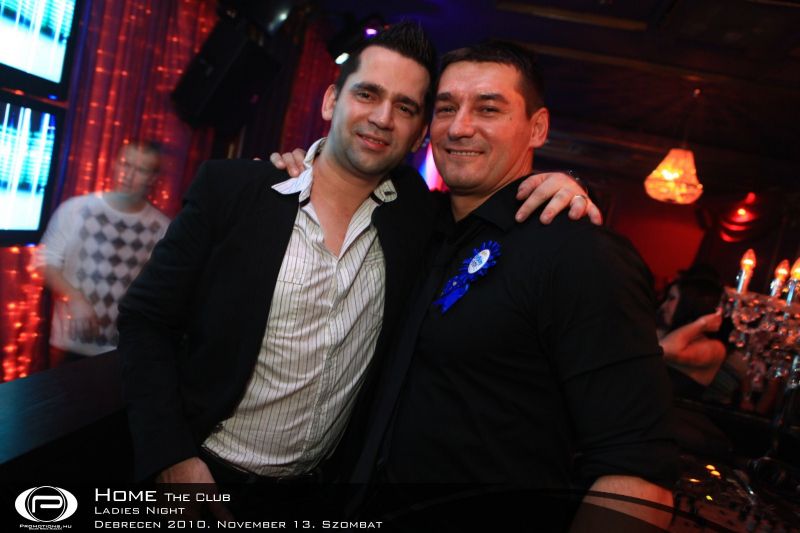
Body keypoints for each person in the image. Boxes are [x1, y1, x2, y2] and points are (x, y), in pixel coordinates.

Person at [117, 22, 593, 509]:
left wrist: (563, 182)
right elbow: (145, 319)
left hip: (320, 495)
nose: (382, 118)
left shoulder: (418, 218)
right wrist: (172, 457)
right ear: (331, 101)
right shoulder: (235, 190)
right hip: (199, 474)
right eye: (368, 94)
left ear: (418, 135)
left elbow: (492, 200)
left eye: (405, 107)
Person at [345, 41, 677, 529]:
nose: (460, 127)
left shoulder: (580, 254)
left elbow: (637, 471)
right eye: (446, 108)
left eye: (488, 109)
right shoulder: (417, 225)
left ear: (537, 128)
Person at [35, 141, 169, 365]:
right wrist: (75, 298)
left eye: (141, 170)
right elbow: (45, 262)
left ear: (153, 179)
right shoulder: (76, 209)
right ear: (115, 164)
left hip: (123, 350)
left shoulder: (162, 228)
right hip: (70, 344)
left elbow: (161, 290)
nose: (128, 175)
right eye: (125, 164)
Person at [656, 267, 727, 400]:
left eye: (671, 299)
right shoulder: (665, 332)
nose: (663, 306)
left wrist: (702, 323)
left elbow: (664, 349)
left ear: (690, 304)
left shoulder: (715, 348)